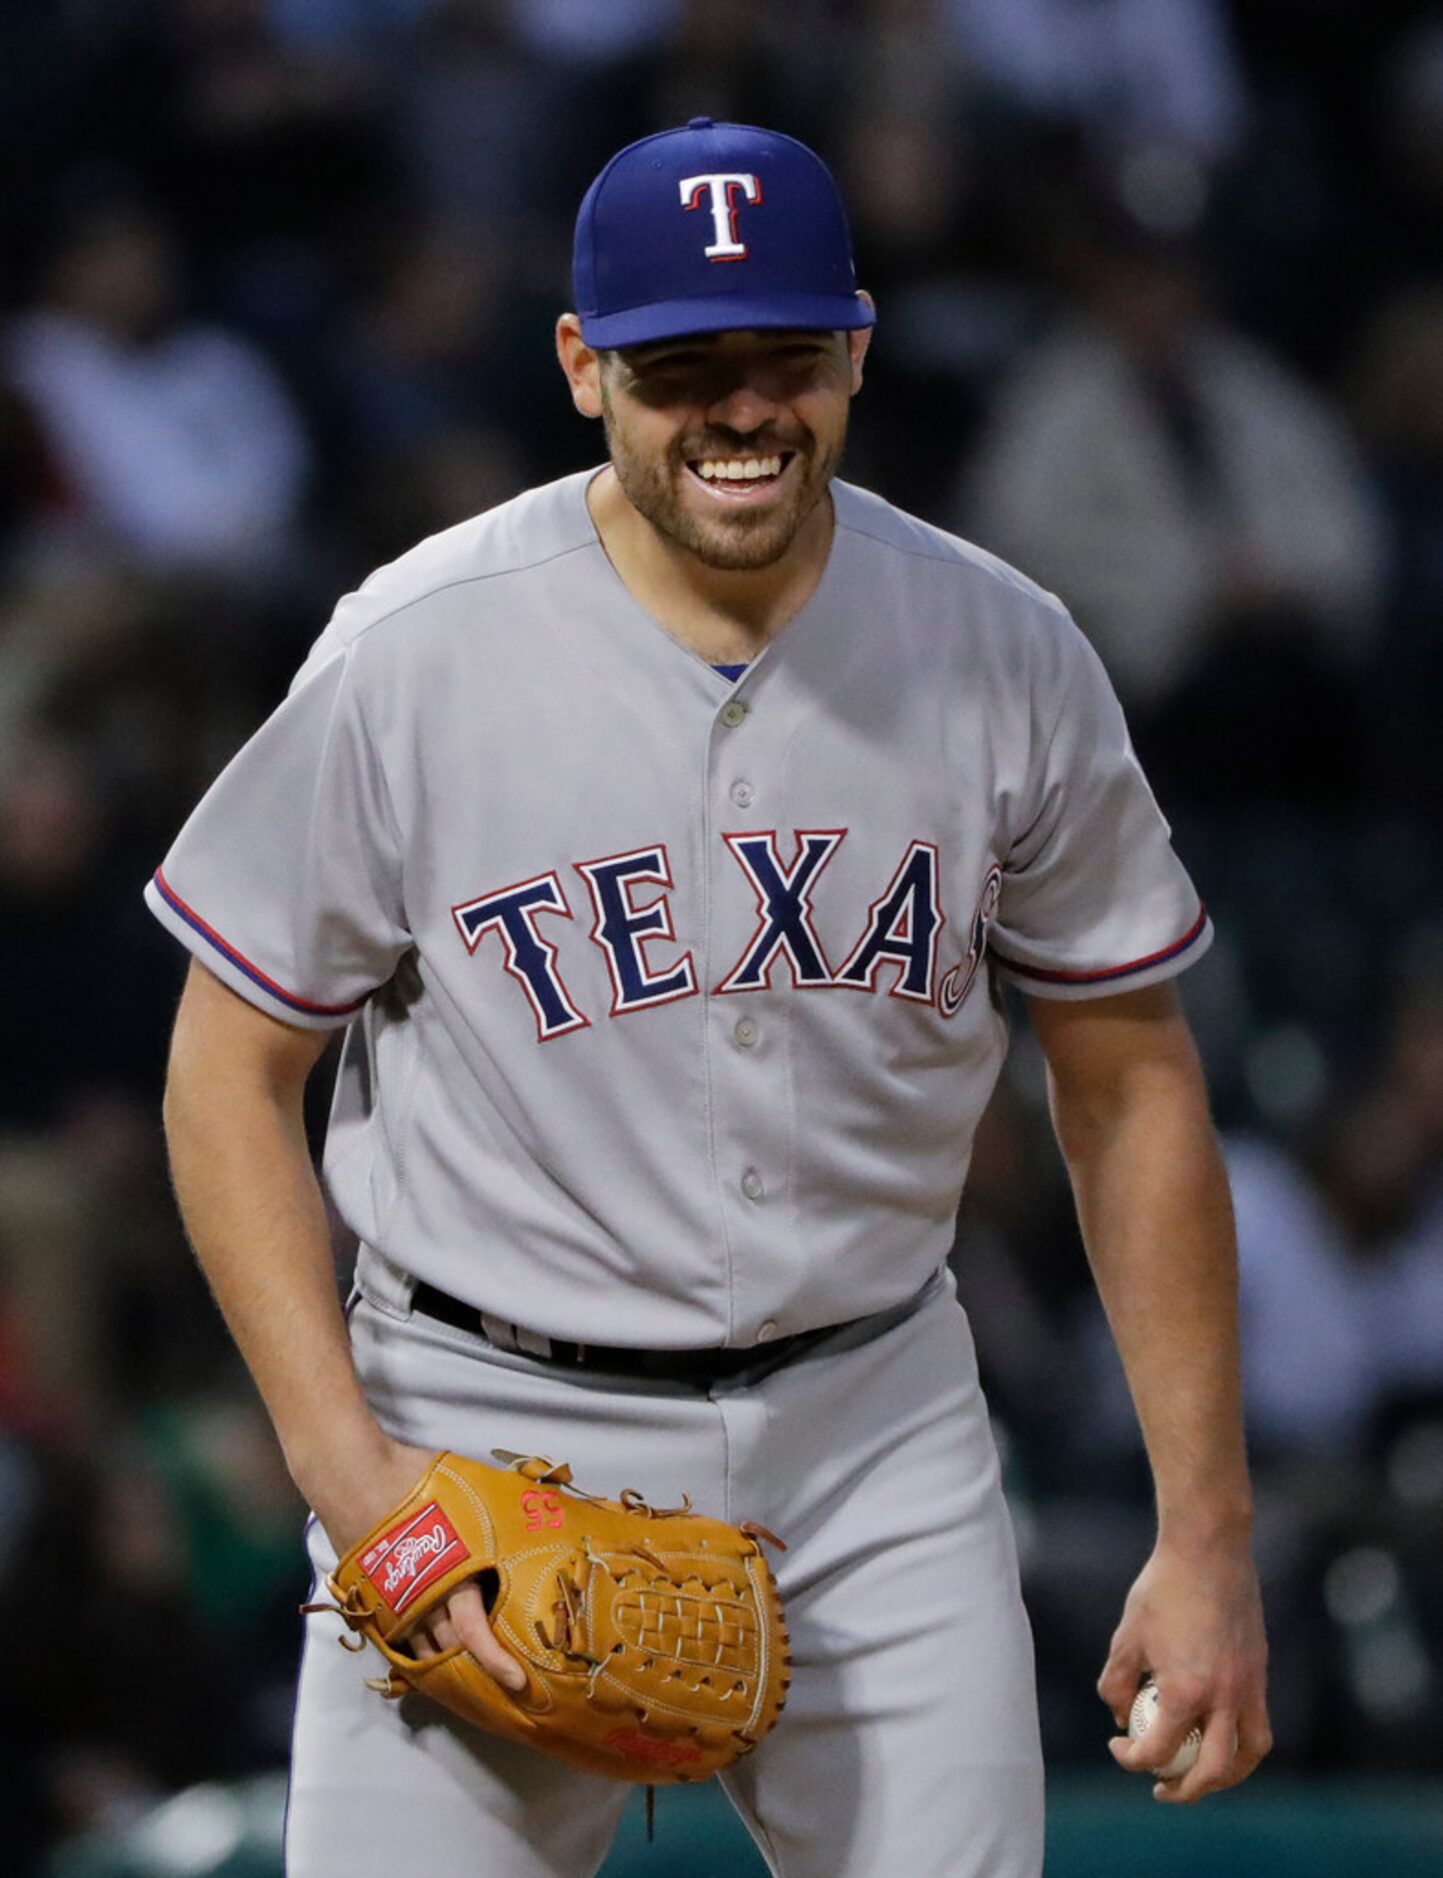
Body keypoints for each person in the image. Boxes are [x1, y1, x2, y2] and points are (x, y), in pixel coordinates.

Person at [147, 118, 1269, 1878]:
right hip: (484, 1421)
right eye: (684, 367)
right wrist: (358, 1488)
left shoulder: (1003, 650)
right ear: (585, 368)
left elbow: (1131, 1081)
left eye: (786, 359)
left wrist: (1205, 1532)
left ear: (859, 353)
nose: (743, 410)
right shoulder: (416, 649)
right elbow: (226, 1074)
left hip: (873, 1425)